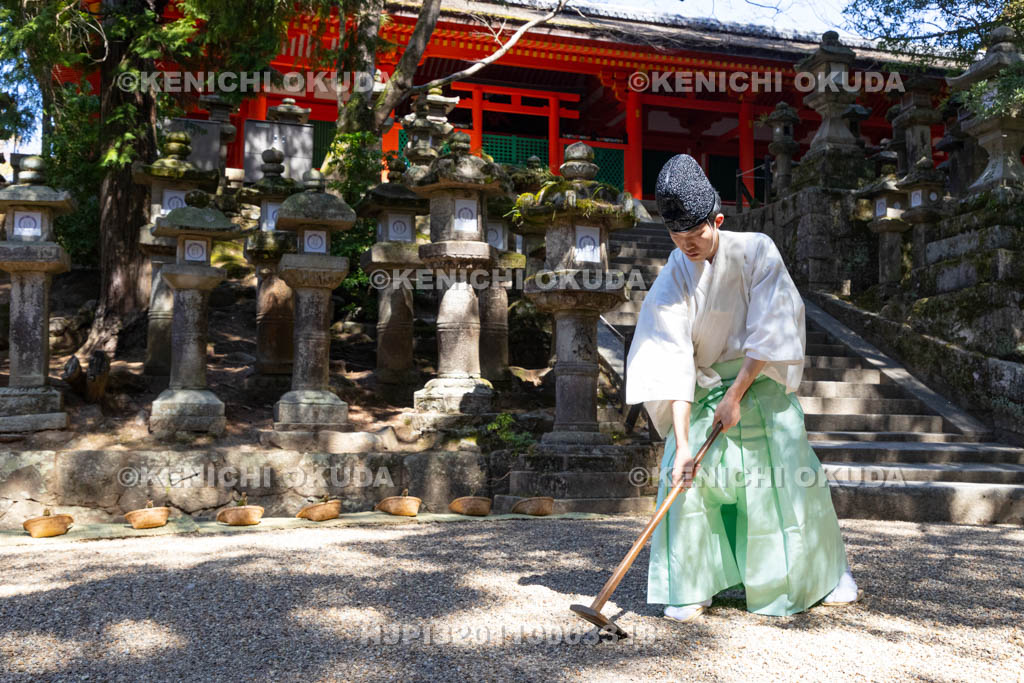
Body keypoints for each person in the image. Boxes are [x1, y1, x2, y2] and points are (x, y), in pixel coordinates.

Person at [624, 154, 862, 623]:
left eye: (696, 236)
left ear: (717, 219)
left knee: (783, 478)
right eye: (678, 237)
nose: (687, 246)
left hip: (758, 379)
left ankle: (824, 574)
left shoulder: (757, 250)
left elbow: (771, 328)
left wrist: (736, 396)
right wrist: (685, 442)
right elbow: (672, 359)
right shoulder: (673, 276)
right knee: (686, 475)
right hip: (700, 385)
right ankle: (694, 583)